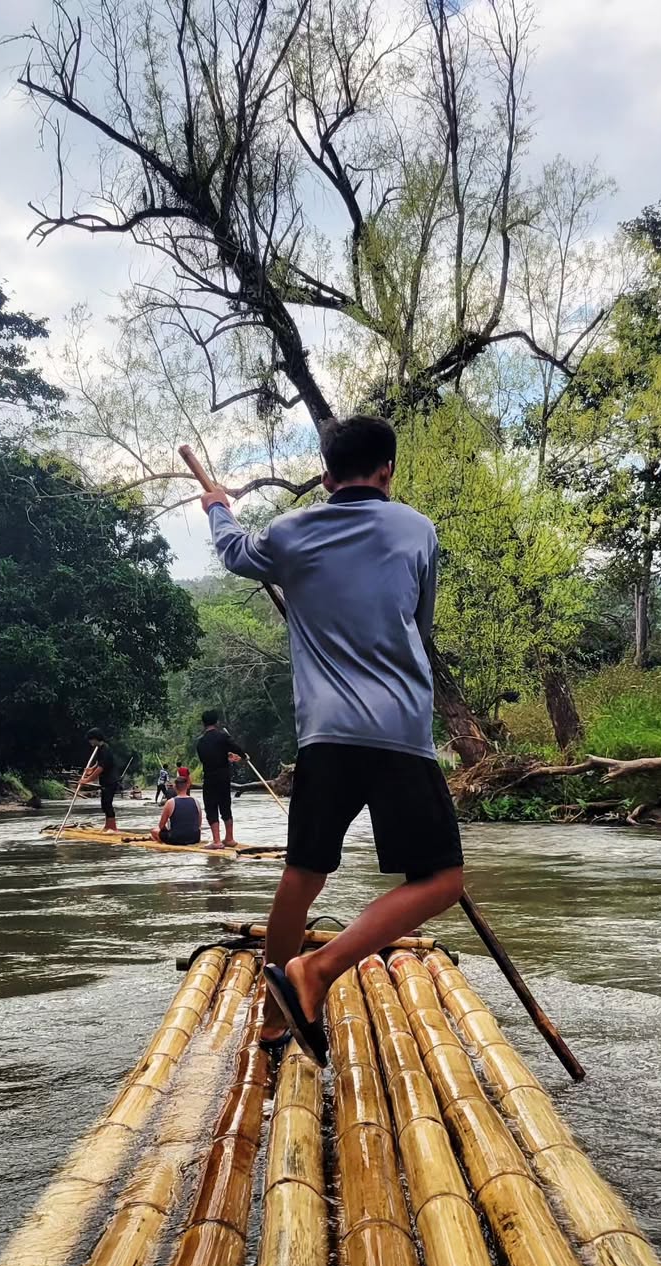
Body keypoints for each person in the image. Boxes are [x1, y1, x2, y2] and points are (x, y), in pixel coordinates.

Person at [202, 415, 465, 1065]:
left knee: (304, 873)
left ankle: (274, 1017)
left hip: (326, 733)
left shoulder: (291, 533)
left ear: (325, 477)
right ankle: (316, 972)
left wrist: (217, 507)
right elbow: (420, 624)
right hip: (400, 730)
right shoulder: (418, 530)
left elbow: (234, 552)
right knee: (440, 881)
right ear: (388, 470)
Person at [195, 710, 247, 848]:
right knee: (225, 805)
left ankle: (217, 841)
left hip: (210, 778)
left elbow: (205, 759)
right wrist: (244, 756)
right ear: (216, 722)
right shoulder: (223, 737)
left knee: (211, 807)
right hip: (224, 777)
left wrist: (226, 755)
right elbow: (235, 748)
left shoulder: (200, 742)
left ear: (203, 723)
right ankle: (229, 838)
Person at [151, 767, 202, 846]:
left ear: (175, 787)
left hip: (176, 839)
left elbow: (161, 826)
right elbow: (199, 824)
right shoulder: (196, 802)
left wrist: (167, 831)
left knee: (154, 831)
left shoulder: (170, 802)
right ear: (187, 786)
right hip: (195, 838)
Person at [82, 727, 118, 832]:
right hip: (105, 781)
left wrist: (88, 780)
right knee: (104, 804)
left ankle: (113, 827)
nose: (90, 742)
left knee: (107, 803)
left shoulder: (105, 749)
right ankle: (107, 826)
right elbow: (98, 763)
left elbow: (101, 768)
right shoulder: (99, 749)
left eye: (90, 740)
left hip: (110, 781)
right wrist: (91, 769)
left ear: (95, 738)